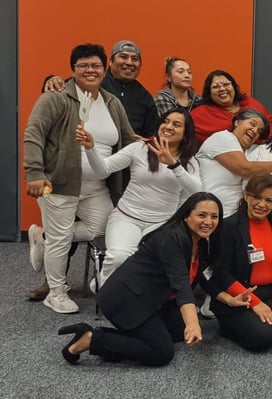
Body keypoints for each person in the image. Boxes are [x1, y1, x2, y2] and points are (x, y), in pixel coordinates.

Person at [24, 43, 135, 311]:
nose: (90, 70)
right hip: (58, 184)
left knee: (104, 229)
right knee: (62, 239)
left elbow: (129, 138)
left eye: (95, 65)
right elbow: (33, 134)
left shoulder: (111, 102)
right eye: (83, 65)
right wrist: (35, 172)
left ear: (104, 69)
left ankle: (43, 238)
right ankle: (56, 293)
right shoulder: (56, 97)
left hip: (98, 186)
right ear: (73, 69)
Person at [56, 193, 221, 366]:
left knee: (179, 330)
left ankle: (114, 345)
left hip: (153, 299)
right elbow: (181, 284)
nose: (208, 222)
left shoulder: (201, 242)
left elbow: (205, 276)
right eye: (201, 215)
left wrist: (230, 298)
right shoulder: (170, 238)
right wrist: (193, 323)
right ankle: (91, 339)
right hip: (127, 299)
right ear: (187, 216)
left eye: (214, 216)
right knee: (161, 353)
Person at [75, 107, 201, 290]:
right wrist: (91, 149)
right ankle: (104, 286)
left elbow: (196, 190)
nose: (169, 126)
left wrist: (174, 165)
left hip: (162, 223)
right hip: (127, 218)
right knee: (119, 256)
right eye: (165, 121)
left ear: (185, 134)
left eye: (177, 124)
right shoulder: (140, 148)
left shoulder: (189, 160)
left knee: (153, 262)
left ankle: (132, 295)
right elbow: (102, 169)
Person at [210, 175, 272, 351]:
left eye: (269, 200)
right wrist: (255, 303)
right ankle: (228, 327)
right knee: (262, 338)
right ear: (246, 196)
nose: (262, 204)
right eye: (257, 198)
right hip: (241, 296)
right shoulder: (229, 227)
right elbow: (221, 273)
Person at [196, 109, 272, 218]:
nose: (255, 131)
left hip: (239, 215)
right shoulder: (222, 138)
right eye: (252, 124)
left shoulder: (251, 151)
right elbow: (244, 169)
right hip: (212, 213)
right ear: (237, 122)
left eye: (259, 131)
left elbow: (255, 176)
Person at [44, 40, 158, 137]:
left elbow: (151, 135)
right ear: (110, 62)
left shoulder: (145, 97)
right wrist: (52, 79)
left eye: (135, 59)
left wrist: (143, 144)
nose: (129, 62)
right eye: (123, 57)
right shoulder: (94, 80)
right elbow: (62, 88)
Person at [191, 70, 272, 145]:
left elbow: (269, 124)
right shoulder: (200, 115)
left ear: (234, 86)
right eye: (216, 86)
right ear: (209, 92)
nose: (222, 89)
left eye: (226, 84)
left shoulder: (250, 102)